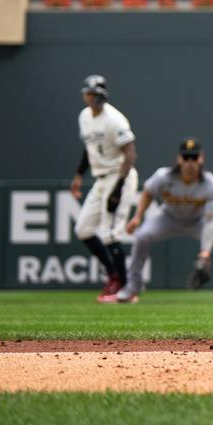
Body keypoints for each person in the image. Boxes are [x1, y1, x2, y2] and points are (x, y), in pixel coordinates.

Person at [104, 137, 213, 305]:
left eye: (194, 158)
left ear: (201, 159)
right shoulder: (164, 176)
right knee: (142, 237)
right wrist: (138, 216)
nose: (190, 163)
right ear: (179, 159)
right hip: (168, 217)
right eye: (186, 158)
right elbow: (148, 192)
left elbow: (209, 221)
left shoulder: (212, 185)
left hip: (199, 221)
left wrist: (205, 253)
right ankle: (131, 287)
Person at [70, 75, 137, 302]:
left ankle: (125, 288)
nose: (89, 98)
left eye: (93, 94)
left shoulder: (114, 120)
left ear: (101, 96)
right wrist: (79, 174)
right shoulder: (84, 117)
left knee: (110, 233)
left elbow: (130, 153)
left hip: (120, 176)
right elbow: (90, 149)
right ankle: (113, 276)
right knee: (83, 229)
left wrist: (118, 187)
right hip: (100, 178)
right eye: (87, 94)